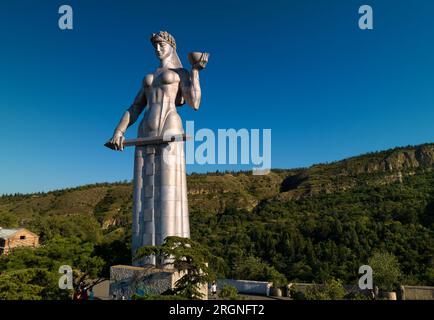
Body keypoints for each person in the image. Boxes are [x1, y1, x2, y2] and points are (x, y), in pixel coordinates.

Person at [108, 31, 208, 266]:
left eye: (161, 44)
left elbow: (194, 103)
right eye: (155, 46)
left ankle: (171, 259)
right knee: (144, 191)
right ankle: (143, 260)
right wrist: (119, 131)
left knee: (169, 193)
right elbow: (135, 107)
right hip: (145, 131)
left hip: (169, 126)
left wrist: (195, 72)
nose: (158, 49)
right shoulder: (149, 76)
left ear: (171, 46)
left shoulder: (180, 73)